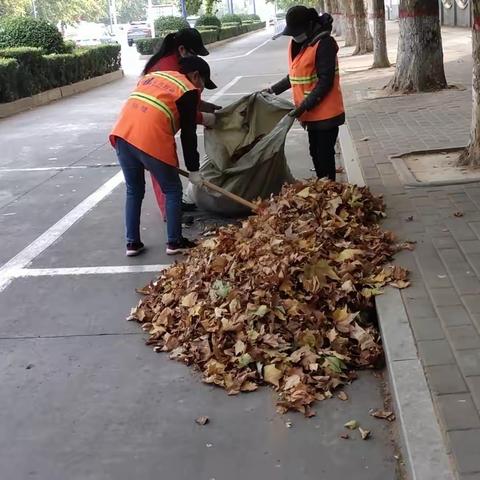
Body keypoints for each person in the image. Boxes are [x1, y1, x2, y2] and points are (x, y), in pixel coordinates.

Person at [110, 56, 217, 256]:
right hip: (151, 139)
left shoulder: (156, 76)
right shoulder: (188, 89)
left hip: (123, 134)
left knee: (134, 190)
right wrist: (194, 171)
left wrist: (209, 110)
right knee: (172, 190)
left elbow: (169, 105)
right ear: (195, 76)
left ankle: (132, 243)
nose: (201, 91)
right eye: (203, 84)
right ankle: (174, 242)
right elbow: (188, 135)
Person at [143, 28, 221, 216]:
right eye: (194, 52)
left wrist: (206, 106)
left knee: (167, 166)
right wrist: (203, 118)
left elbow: (188, 101)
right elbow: (184, 114)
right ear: (182, 49)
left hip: (153, 120)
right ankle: (169, 213)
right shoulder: (168, 68)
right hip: (152, 122)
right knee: (163, 167)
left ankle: (173, 204)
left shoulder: (179, 63)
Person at [266, 7, 345, 181]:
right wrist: (272, 90)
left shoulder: (324, 44)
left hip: (326, 113)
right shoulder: (303, 44)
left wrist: (303, 107)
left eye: (297, 32)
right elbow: (295, 76)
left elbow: (325, 81)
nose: (294, 36)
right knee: (315, 153)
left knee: (324, 155)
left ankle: (331, 191)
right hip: (310, 114)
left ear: (310, 26)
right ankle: (323, 189)